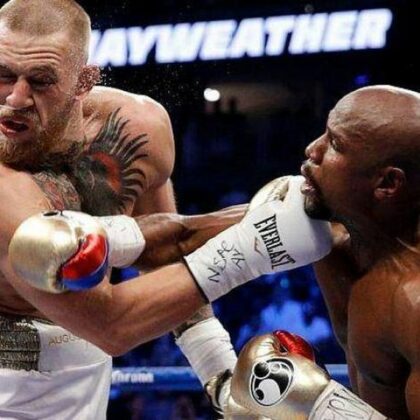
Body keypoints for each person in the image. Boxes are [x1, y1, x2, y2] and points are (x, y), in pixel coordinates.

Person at [0, 1, 332, 418]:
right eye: (3, 74)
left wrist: (219, 375)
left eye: (40, 81)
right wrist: (255, 243)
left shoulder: (137, 128)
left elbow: (164, 256)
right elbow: (111, 325)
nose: (15, 98)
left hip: (86, 371)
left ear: (84, 81)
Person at [203, 85, 420, 419]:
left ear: (387, 184)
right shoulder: (328, 235)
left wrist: (320, 407)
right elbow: (177, 236)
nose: (312, 150)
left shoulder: (413, 303)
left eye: (335, 144)